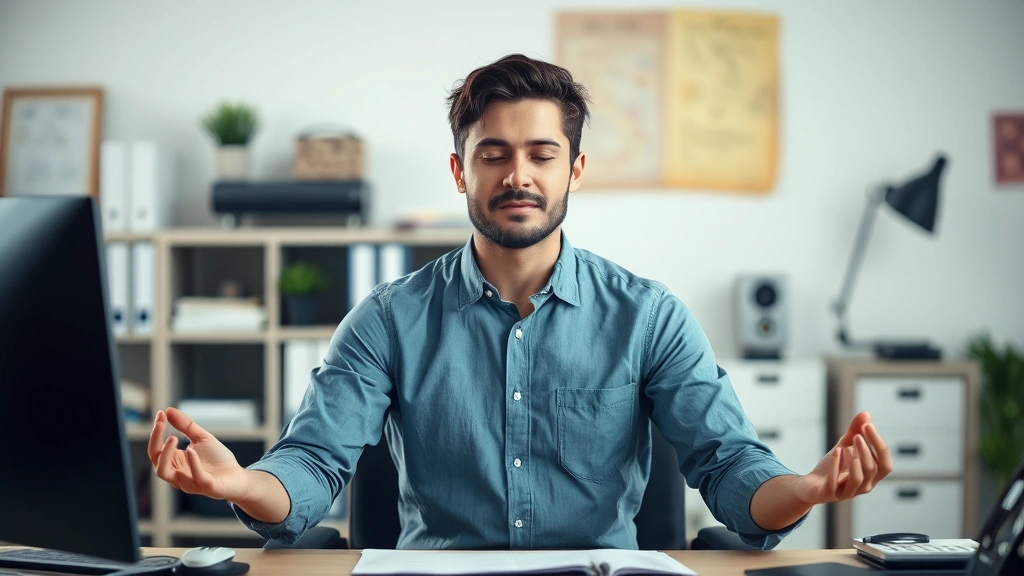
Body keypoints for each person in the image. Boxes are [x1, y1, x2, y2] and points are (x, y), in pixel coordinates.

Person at [148, 54, 893, 550]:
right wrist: (241, 483)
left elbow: (728, 465)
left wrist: (802, 489)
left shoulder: (650, 317)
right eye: (492, 154)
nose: (518, 175)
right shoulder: (386, 319)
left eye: (541, 154)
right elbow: (313, 462)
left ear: (575, 168)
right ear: (458, 170)